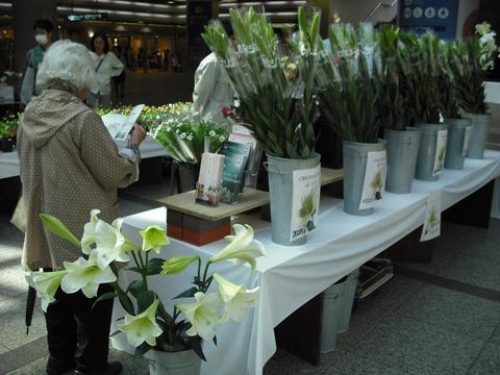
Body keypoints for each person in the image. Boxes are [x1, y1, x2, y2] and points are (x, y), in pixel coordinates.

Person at [16, 40, 146, 375]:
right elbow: (113, 172)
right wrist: (132, 147)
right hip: (85, 230)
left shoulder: (30, 115)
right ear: (79, 77)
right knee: (94, 302)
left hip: (45, 226)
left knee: (57, 297)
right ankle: (91, 366)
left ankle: (59, 360)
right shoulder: (82, 119)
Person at [192, 37, 237, 123]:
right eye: (234, 38)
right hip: (212, 119)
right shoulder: (212, 62)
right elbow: (202, 94)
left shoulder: (228, 61)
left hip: (226, 117)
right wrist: (196, 117)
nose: (238, 42)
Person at [20, 19, 54, 104]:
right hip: (37, 99)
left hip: (56, 97)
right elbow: (25, 75)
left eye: (42, 33)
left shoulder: (59, 52)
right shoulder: (32, 54)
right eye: (37, 33)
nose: (39, 36)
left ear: (50, 34)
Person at [88, 32, 124, 109]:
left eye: (101, 42)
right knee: (93, 113)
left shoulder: (110, 56)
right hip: (92, 90)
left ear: (105, 44)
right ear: (93, 42)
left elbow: (121, 67)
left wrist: (111, 73)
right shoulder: (89, 55)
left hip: (105, 90)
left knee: (105, 112)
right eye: (96, 42)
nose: (98, 45)